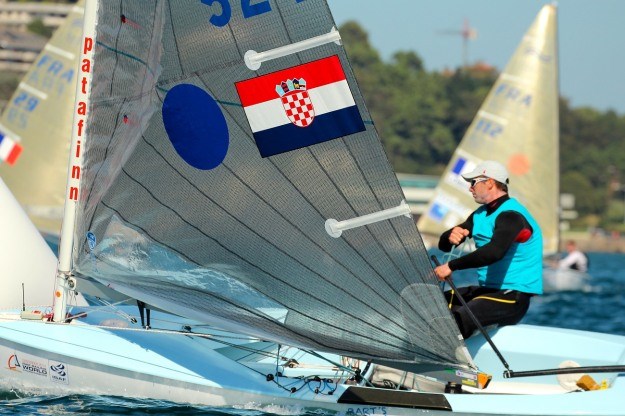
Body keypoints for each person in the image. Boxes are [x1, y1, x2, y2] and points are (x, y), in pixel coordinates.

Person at [433, 160, 543, 339]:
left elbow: (494, 252)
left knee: (462, 317)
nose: (470, 188)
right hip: (487, 292)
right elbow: (444, 245)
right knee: (430, 304)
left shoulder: (512, 216)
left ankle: (451, 361)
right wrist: (450, 235)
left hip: (512, 297)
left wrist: (451, 266)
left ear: (490, 182)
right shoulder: (480, 214)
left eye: (473, 183)